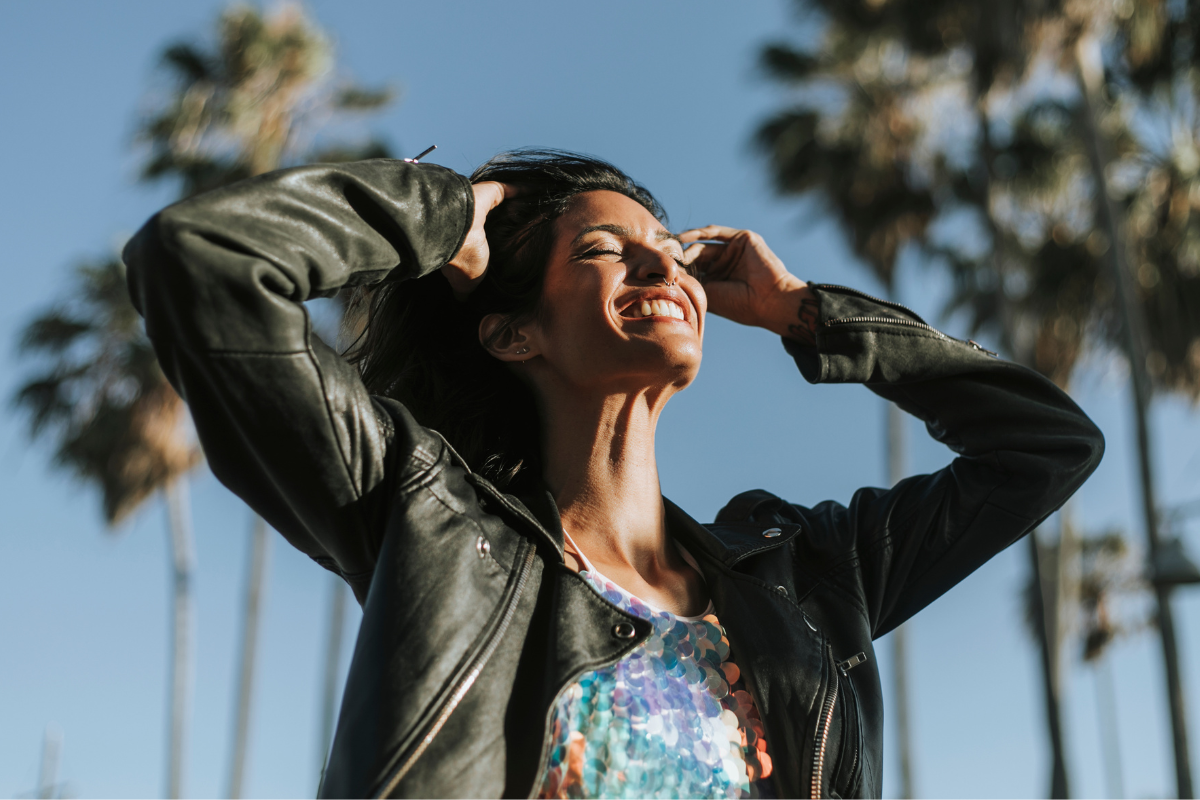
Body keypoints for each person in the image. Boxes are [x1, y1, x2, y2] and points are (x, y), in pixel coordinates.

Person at [124, 149, 1103, 799]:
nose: (662, 273)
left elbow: (1046, 446)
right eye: (604, 251)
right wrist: (444, 212)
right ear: (512, 330)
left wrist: (809, 313)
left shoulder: (805, 580)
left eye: (670, 256)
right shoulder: (431, 524)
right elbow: (200, 261)